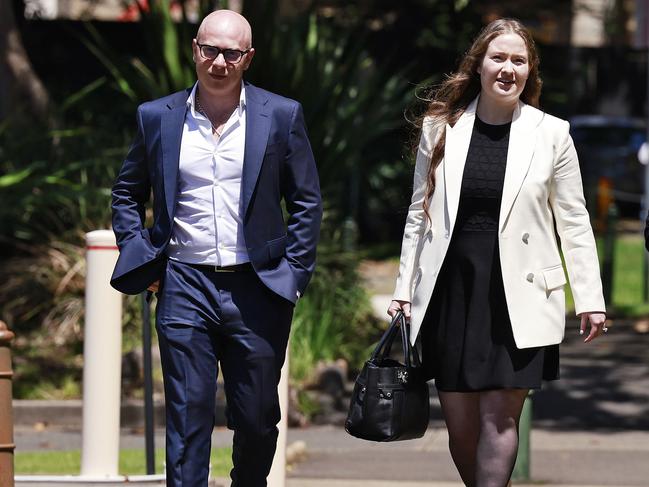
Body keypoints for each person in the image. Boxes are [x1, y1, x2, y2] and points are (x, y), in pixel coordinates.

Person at [388, 18, 606, 487]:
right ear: (479, 65)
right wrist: (403, 289)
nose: (508, 69)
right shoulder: (439, 128)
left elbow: (574, 220)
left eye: (519, 60)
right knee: (462, 428)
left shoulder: (552, 134)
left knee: (499, 420)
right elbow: (417, 214)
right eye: (499, 58)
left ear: (531, 70)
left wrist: (590, 298)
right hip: (451, 288)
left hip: (520, 292)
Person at [110, 9, 322, 487]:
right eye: (210, 50)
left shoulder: (281, 115)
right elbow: (126, 192)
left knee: (255, 418)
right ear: (194, 51)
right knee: (187, 418)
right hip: (184, 283)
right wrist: (139, 251)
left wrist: (294, 274)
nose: (219, 62)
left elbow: (306, 200)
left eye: (231, 53)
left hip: (259, 286)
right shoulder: (156, 118)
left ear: (248, 58)